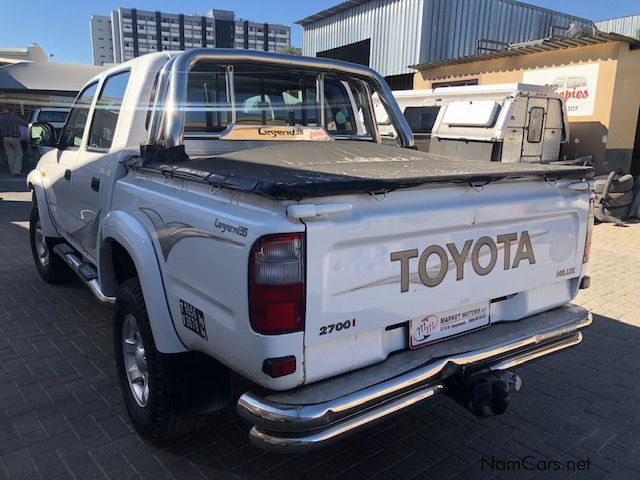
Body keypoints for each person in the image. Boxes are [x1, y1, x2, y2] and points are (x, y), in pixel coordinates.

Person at [0, 107, 27, 176]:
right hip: (14, 138)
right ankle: (16, 171)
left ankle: (12, 172)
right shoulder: (15, 118)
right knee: (19, 154)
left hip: (5, 138)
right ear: (12, 112)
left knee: (10, 155)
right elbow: (25, 124)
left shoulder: (2, 118)